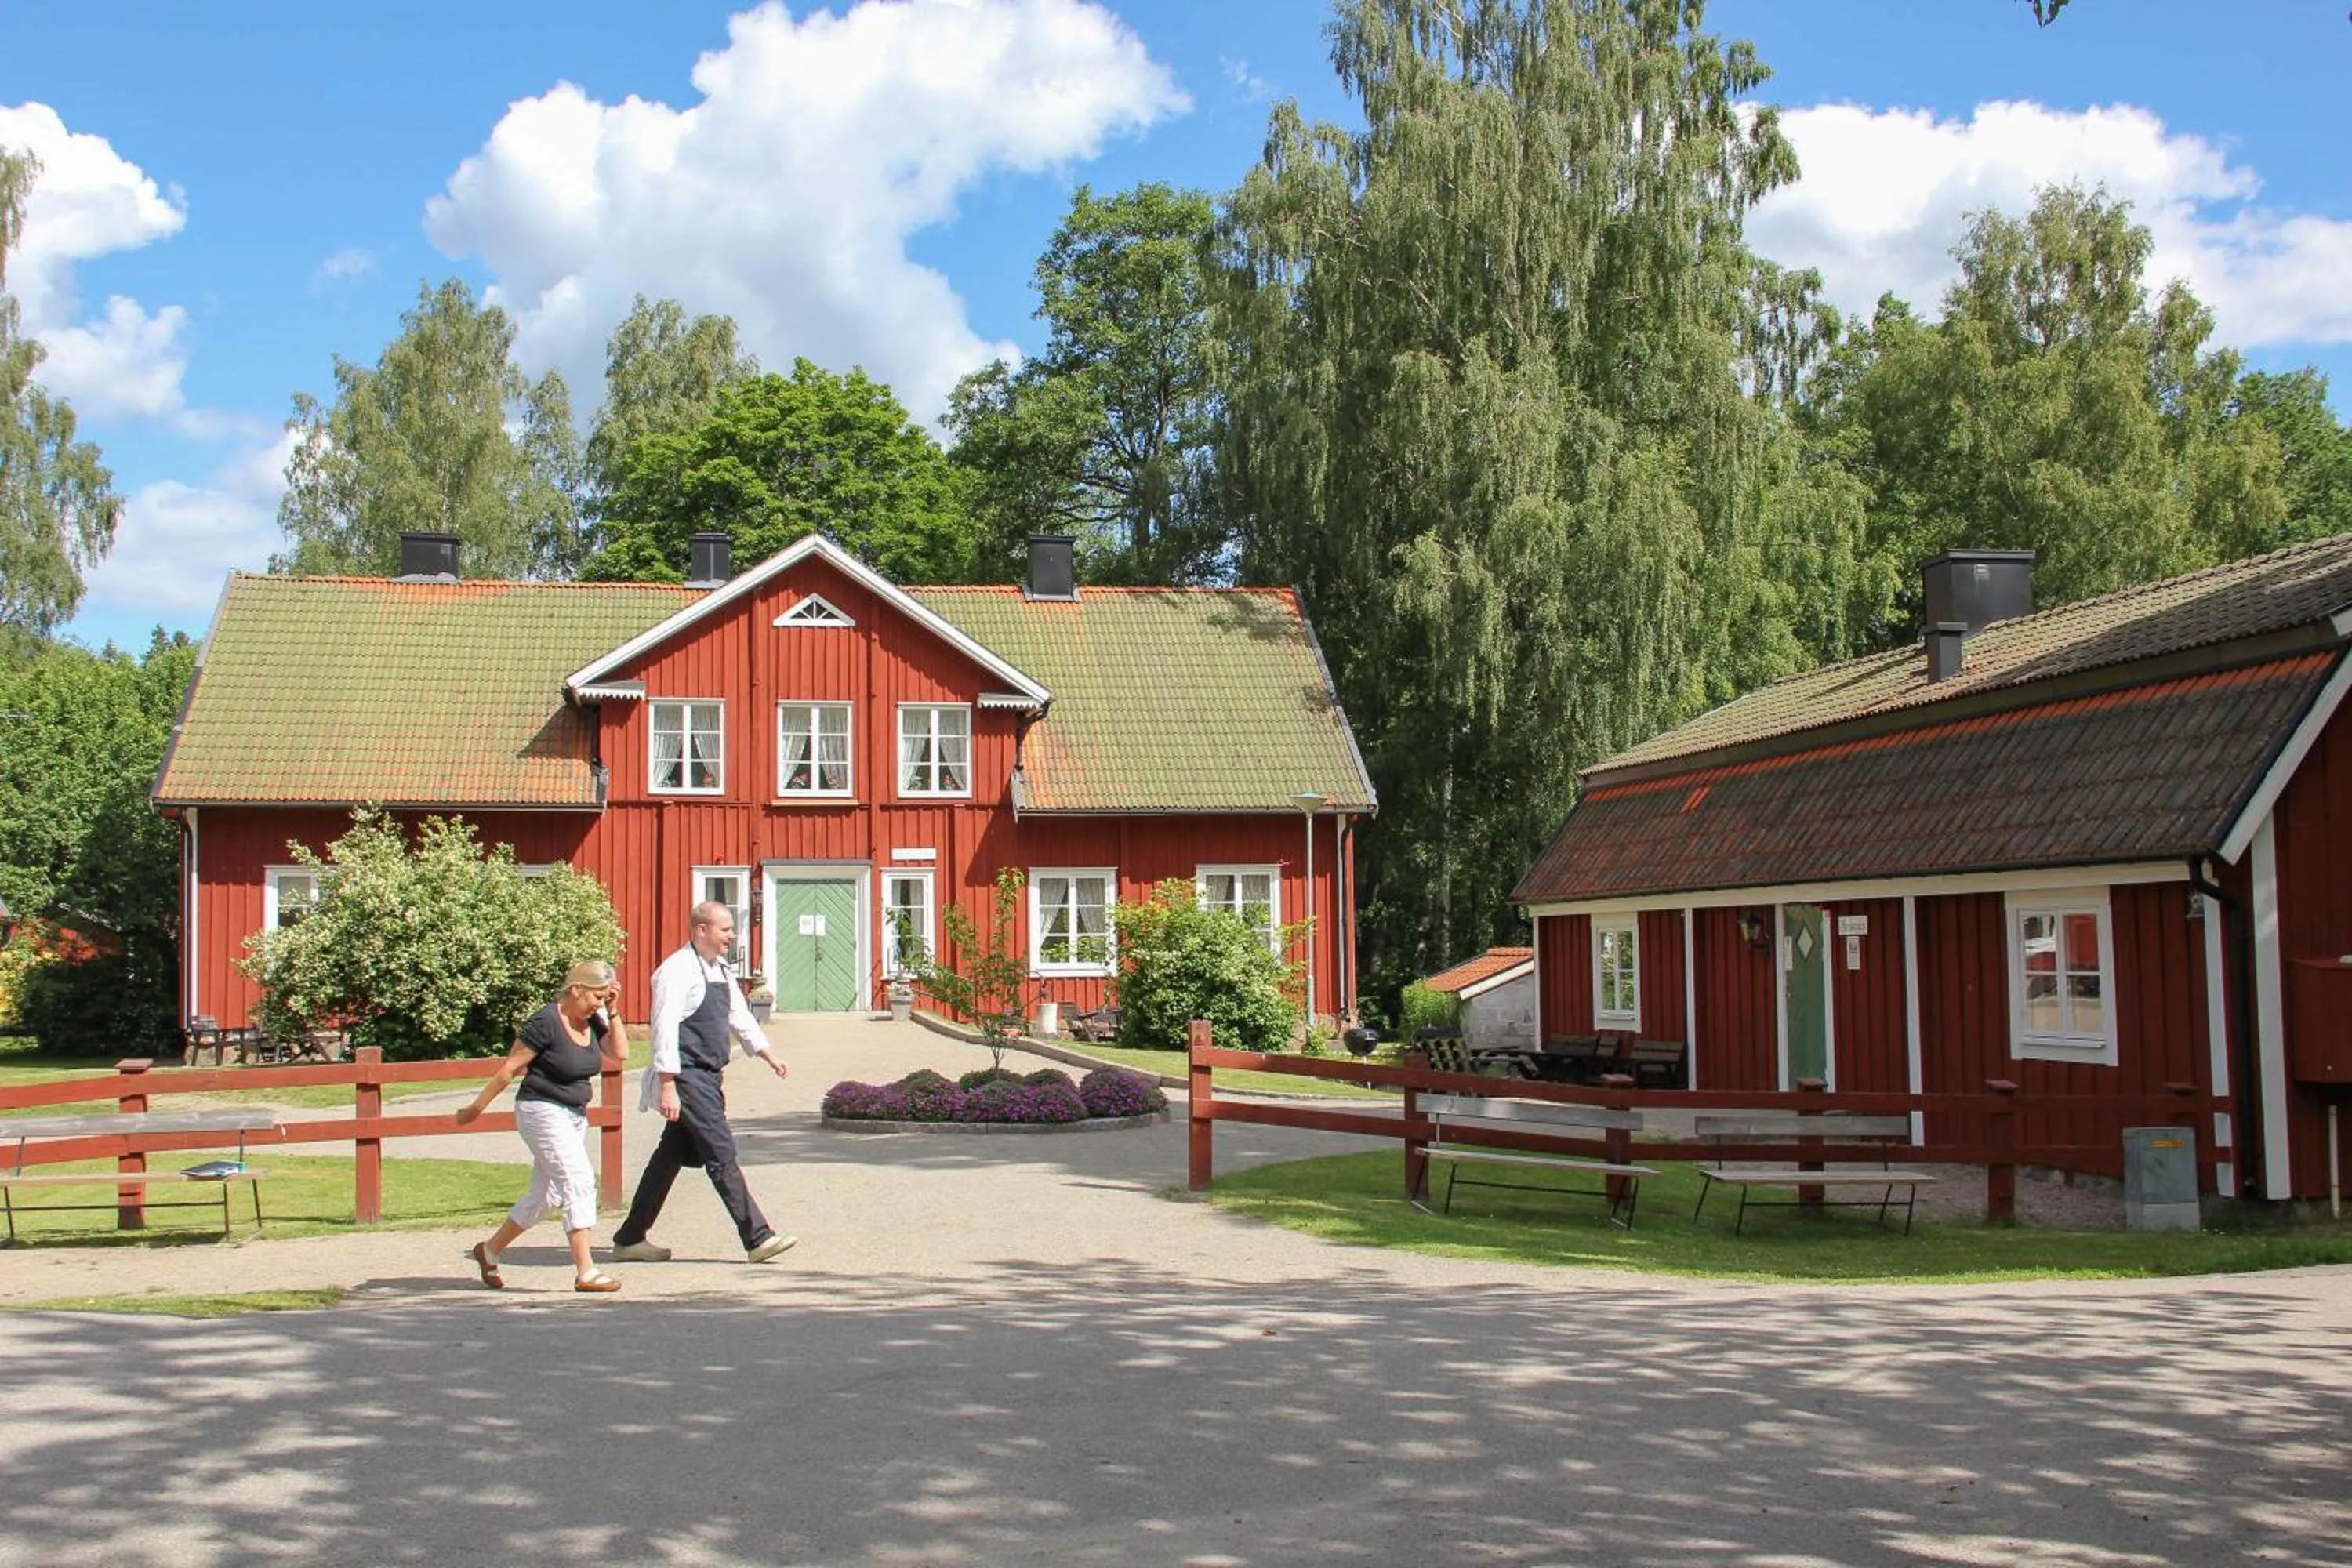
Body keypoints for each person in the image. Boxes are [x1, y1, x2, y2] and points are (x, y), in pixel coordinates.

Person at [608, 900, 796, 1265]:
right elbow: (663, 1031)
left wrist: (769, 1055)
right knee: (721, 1152)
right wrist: (667, 1085)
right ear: (701, 930)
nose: (731, 936)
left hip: (709, 1076)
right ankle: (757, 1237)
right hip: (687, 1077)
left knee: (669, 1158)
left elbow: (739, 1017)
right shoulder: (676, 971)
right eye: (725, 929)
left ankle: (630, 1238)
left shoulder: (721, 971)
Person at [457, 959, 629, 1293]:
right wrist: (476, 1108)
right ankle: (586, 1272)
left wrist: (613, 1010)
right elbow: (509, 1068)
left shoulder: (593, 1021)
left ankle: (489, 1251)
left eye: (604, 998)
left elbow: (619, 1053)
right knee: (579, 1179)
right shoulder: (545, 1022)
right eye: (596, 997)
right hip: (540, 1109)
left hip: (574, 1114)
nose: (599, 1004)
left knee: (546, 1195)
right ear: (576, 989)